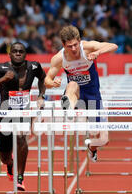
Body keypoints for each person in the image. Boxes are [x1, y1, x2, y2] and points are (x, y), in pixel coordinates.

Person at [44, 25, 118, 162]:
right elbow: (47, 79)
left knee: (103, 139)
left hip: (93, 95)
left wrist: (98, 53)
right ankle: (69, 109)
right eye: (69, 46)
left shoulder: (87, 47)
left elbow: (114, 46)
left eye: (75, 45)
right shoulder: (59, 58)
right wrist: (51, 83)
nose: (73, 49)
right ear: (63, 45)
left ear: (79, 41)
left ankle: (92, 147)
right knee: (72, 84)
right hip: (75, 94)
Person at [0, 42, 46, 191]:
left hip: (24, 111)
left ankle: (20, 177)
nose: (18, 53)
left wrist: (41, 95)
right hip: (5, 113)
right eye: (15, 51)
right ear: (10, 54)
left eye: (21, 51)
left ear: (25, 54)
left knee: (21, 138)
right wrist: (3, 79)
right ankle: (10, 164)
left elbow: (43, 78)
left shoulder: (34, 67)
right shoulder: (1, 68)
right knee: (4, 156)